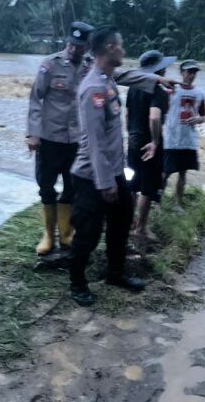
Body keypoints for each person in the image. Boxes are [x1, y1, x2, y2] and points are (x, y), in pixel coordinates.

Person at [26, 22, 170, 256]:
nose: (75, 50)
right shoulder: (49, 65)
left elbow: (121, 73)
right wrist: (32, 132)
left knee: (70, 189)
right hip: (49, 137)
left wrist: (154, 80)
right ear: (66, 43)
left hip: (76, 140)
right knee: (46, 187)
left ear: (87, 48)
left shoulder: (90, 67)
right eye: (72, 45)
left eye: (80, 46)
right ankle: (47, 234)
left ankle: (66, 234)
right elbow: (35, 99)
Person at [69, 26, 146, 307]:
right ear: (111, 48)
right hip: (92, 177)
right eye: (122, 45)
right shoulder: (93, 89)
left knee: (121, 223)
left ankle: (115, 273)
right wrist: (105, 184)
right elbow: (95, 142)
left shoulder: (108, 80)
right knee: (87, 234)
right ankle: (77, 283)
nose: (125, 50)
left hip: (114, 171)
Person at [126, 50, 174, 242]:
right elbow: (154, 116)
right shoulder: (157, 90)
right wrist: (155, 141)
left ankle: (130, 222)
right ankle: (142, 229)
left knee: (132, 184)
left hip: (133, 140)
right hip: (148, 144)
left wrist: (130, 134)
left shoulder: (133, 87)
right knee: (148, 187)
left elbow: (127, 115)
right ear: (159, 69)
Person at [163, 59, 205, 209]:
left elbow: (203, 116)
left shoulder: (199, 93)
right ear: (182, 73)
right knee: (166, 171)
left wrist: (198, 119)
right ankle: (157, 199)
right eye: (189, 72)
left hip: (188, 139)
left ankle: (178, 203)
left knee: (183, 172)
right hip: (172, 138)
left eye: (194, 72)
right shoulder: (171, 91)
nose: (192, 75)